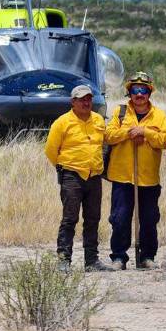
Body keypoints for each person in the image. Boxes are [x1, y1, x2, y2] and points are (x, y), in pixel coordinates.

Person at [104, 72, 166, 270]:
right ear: (129, 92)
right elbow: (108, 135)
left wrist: (145, 132)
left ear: (149, 92)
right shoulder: (120, 112)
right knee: (120, 219)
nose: (139, 94)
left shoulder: (159, 115)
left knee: (149, 220)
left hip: (148, 178)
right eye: (135, 90)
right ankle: (119, 257)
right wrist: (128, 133)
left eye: (143, 90)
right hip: (122, 177)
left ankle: (147, 257)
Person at [45, 84, 113, 272]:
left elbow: (107, 141)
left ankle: (91, 261)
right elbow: (50, 150)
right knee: (70, 219)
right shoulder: (62, 122)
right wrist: (65, 166)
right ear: (73, 102)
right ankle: (63, 261)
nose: (86, 102)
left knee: (93, 219)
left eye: (89, 99)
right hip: (71, 176)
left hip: (94, 177)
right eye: (82, 99)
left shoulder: (98, 120)